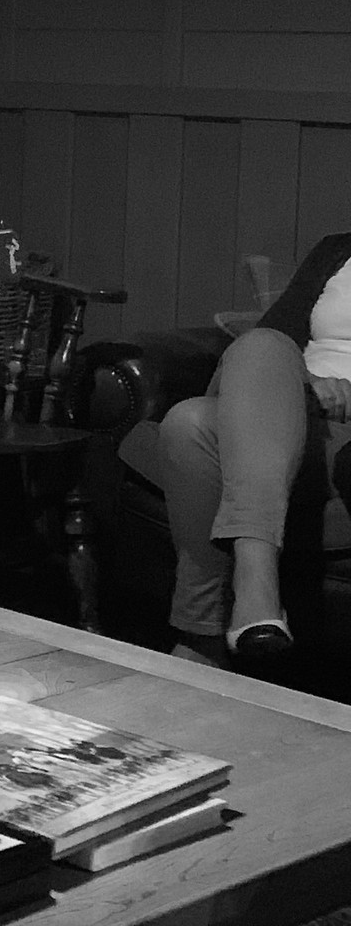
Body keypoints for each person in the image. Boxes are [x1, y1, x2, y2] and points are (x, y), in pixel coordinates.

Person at [156, 232, 351, 665]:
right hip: (280, 397)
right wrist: (304, 384)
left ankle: (203, 637)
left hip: (340, 433)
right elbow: (275, 333)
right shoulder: (340, 250)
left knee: (188, 424)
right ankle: (256, 591)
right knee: (260, 344)